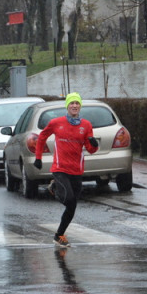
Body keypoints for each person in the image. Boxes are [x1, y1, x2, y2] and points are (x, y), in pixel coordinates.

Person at [34, 92, 99, 248]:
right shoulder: (57, 123)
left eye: (77, 103)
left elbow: (91, 150)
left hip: (76, 169)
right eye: (72, 103)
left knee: (72, 206)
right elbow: (42, 136)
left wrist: (93, 143)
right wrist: (38, 157)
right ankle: (55, 186)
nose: (74, 106)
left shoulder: (86, 125)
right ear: (67, 106)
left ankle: (59, 235)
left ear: (80, 106)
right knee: (69, 199)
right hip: (60, 168)